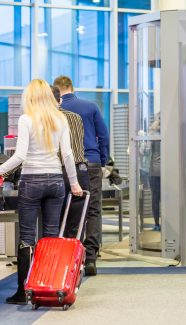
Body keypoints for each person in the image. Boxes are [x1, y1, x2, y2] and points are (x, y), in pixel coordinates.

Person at [0, 79, 82, 305]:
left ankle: (21, 291)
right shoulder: (60, 119)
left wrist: (0, 171)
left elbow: (19, 156)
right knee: (51, 237)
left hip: (31, 182)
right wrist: (73, 183)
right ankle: (48, 287)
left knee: (27, 238)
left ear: (30, 97)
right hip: (56, 181)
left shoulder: (26, 119)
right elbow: (67, 155)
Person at [53, 76, 109, 276]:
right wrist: (102, 160)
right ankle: (91, 257)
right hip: (90, 162)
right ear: (72, 87)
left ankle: (67, 257)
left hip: (60, 166)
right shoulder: (90, 106)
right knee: (92, 210)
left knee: (64, 211)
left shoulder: (54, 112)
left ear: (57, 90)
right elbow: (103, 135)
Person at [50, 85, 89, 238]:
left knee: (53, 223)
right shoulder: (75, 117)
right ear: (60, 100)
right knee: (76, 223)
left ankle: (53, 259)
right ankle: (74, 259)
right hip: (78, 171)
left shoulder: (42, 120)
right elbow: (78, 146)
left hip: (55, 172)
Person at [149, 113, 161, 231]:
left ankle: (157, 224)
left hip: (154, 171)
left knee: (155, 199)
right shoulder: (170, 134)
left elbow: (146, 150)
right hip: (168, 172)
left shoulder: (153, 134)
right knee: (168, 199)